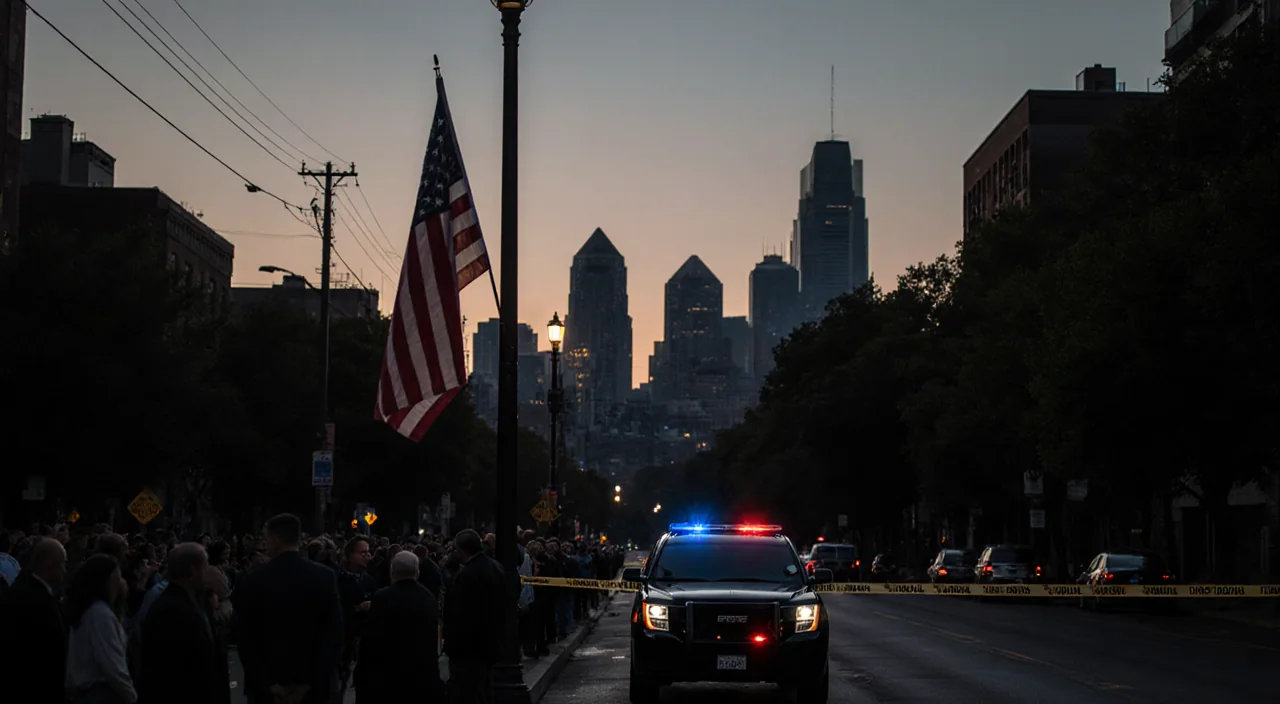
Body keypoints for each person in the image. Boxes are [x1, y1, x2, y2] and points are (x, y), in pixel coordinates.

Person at [233, 514, 344, 704]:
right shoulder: (324, 577)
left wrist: (268, 683)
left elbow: (246, 636)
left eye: (266, 539)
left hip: (269, 686)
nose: (264, 545)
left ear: (275, 539)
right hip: (312, 688)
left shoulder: (254, 579)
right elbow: (333, 632)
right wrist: (311, 682)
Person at [353, 552, 444, 703]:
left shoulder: (382, 598)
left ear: (392, 571)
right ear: (417, 572)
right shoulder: (428, 598)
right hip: (420, 675)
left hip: (388, 676)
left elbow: (371, 640)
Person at [138, 543, 219, 703]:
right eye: (205, 566)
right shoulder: (175, 609)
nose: (208, 572)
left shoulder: (182, 601)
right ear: (193, 570)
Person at [0, 537, 69, 701]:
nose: (65, 570)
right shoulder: (35, 601)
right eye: (62, 564)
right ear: (50, 565)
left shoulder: (22, 590)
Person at [65, 554, 137, 703]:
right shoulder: (100, 614)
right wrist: (131, 695)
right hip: (101, 693)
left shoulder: (88, 610)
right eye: (118, 575)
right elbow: (112, 664)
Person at [443, 529, 504, 704]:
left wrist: (452, 644)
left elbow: (460, 614)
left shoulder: (468, 574)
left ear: (462, 550)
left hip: (470, 648)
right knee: (484, 689)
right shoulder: (495, 567)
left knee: (470, 692)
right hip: (490, 642)